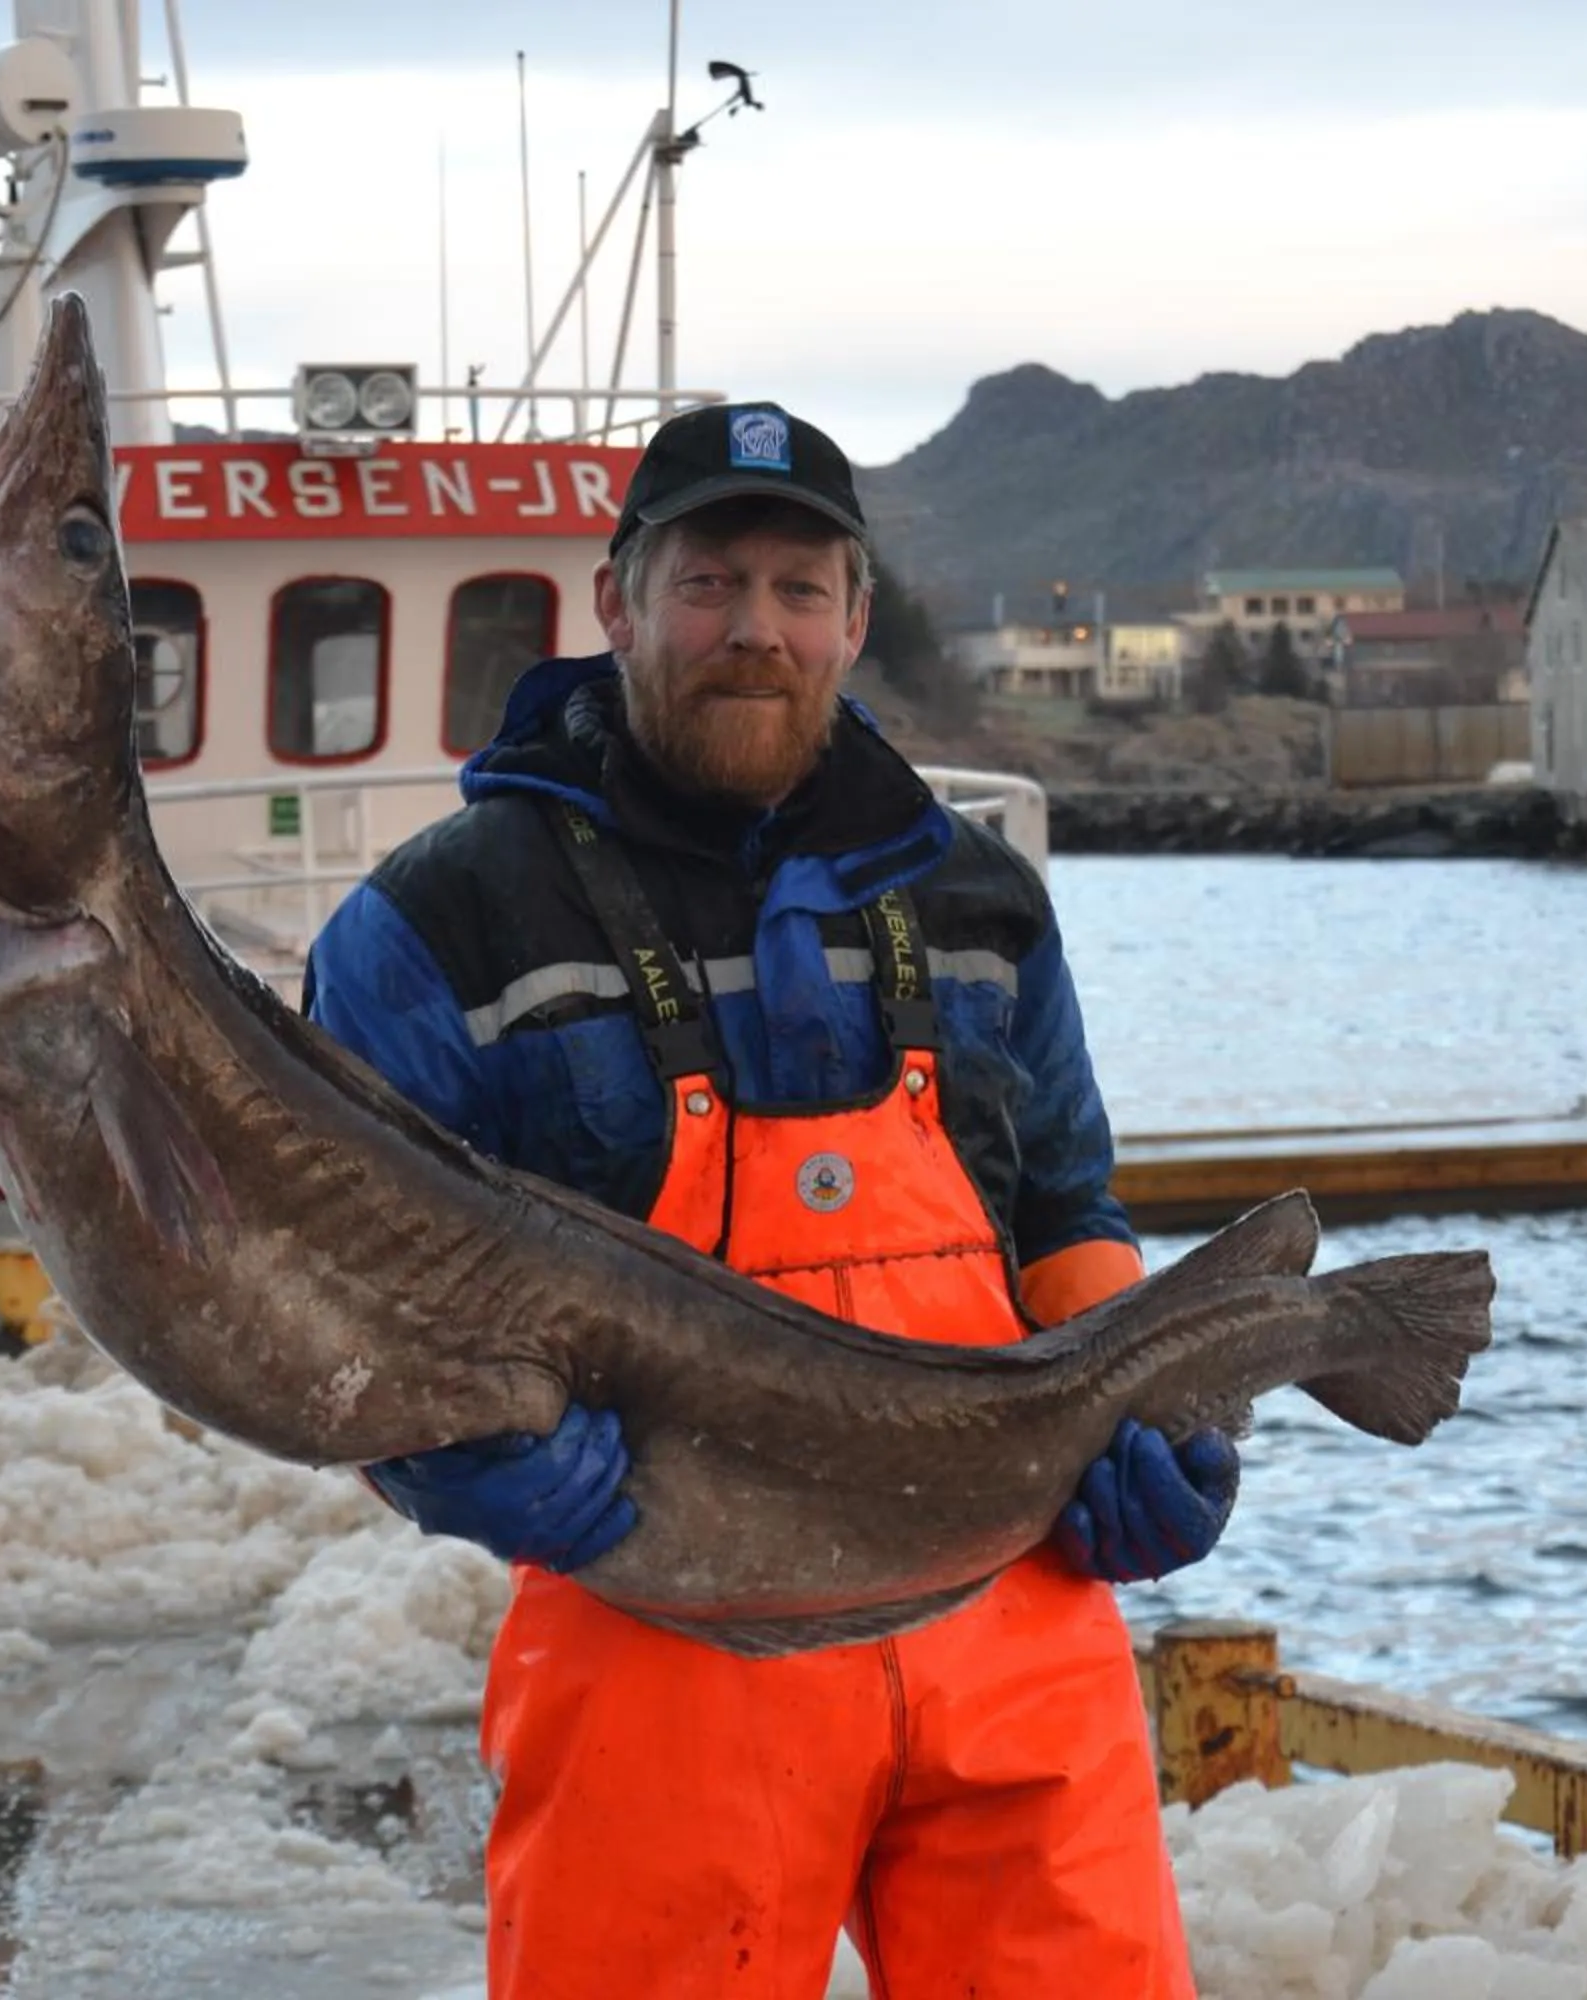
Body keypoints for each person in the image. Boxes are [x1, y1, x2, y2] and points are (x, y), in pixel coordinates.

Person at [302, 401, 1239, 1998]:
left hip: (1015, 1610)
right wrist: (442, 1458)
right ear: (616, 602)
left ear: (856, 621)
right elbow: (337, 1289)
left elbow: (1069, 1213)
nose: (756, 631)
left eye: (801, 591)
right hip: (665, 1628)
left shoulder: (979, 897)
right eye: (709, 582)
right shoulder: (441, 922)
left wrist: (1156, 1412)